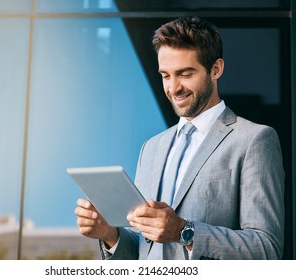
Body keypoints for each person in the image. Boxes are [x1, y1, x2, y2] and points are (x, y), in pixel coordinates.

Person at [74, 16, 285, 260]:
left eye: (185, 74)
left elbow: (267, 249)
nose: (173, 88)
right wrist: (110, 234)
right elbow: (145, 249)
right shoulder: (151, 148)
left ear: (215, 69)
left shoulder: (254, 140)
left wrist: (185, 231)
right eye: (166, 76)